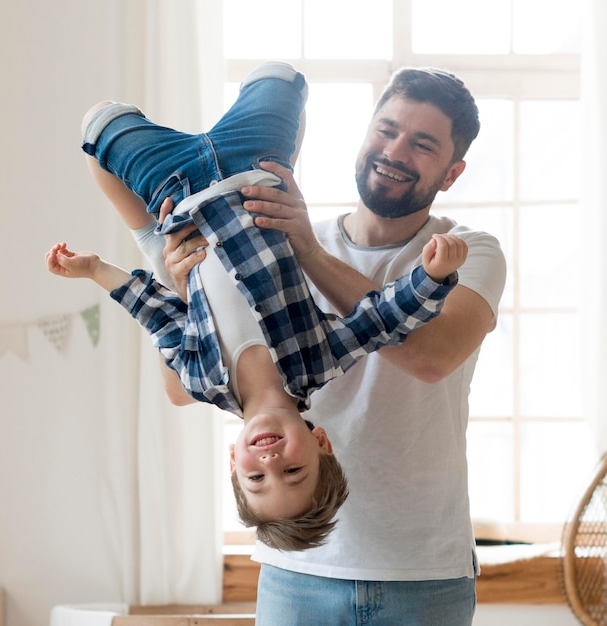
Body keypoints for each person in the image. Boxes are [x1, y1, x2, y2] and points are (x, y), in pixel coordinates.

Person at [46, 62, 468, 553]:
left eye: (256, 480)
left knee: (99, 123)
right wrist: (432, 278)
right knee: (281, 77)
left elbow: (158, 314)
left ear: (233, 463)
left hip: (173, 185)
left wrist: (98, 271)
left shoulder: (200, 380)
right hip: (252, 162)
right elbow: (382, 319)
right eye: (293, 471)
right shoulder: (320, 361)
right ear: (321, 445)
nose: (270, 465)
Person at [166, 67, 506, 624]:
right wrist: (185, 297)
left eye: (422, 144)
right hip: (297, 571)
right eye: (387, 129)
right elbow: (183, 389)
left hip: (422, 572)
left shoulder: (466, 251)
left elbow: (430, 357)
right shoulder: (286, 232)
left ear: (451, 173)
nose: (395, 151)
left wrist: (310, 255)